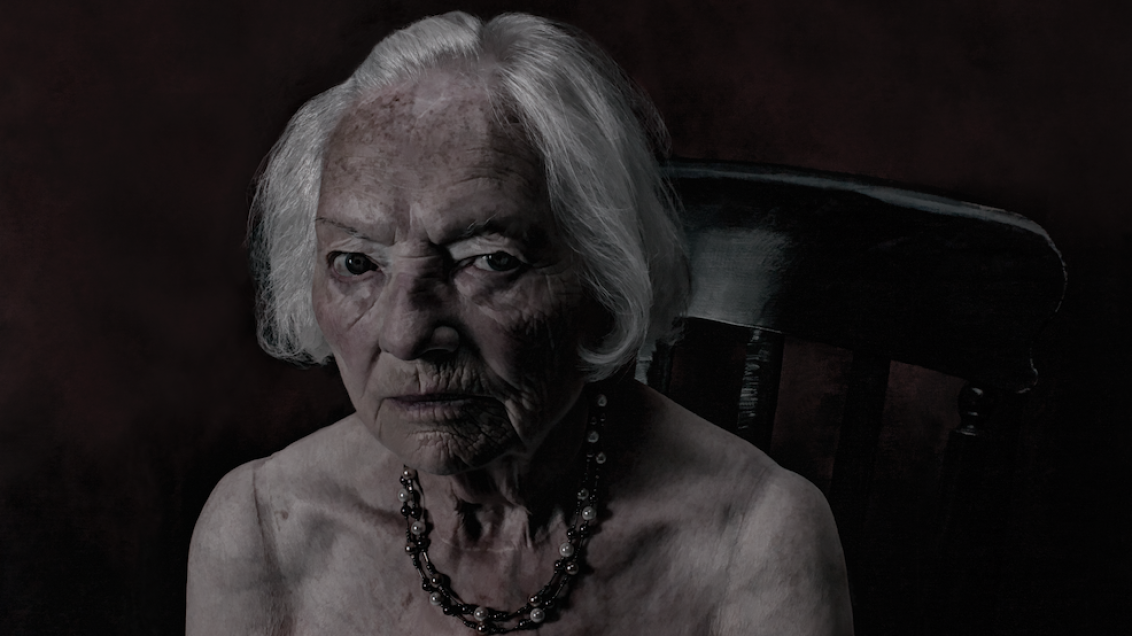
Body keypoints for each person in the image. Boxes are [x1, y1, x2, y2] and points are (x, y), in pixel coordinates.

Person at [187, 11, 852, 635]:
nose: (406, 335)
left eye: (489, 260)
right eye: (356, 263)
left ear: (603, 274)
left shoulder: (755, 539)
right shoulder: (263, 530)